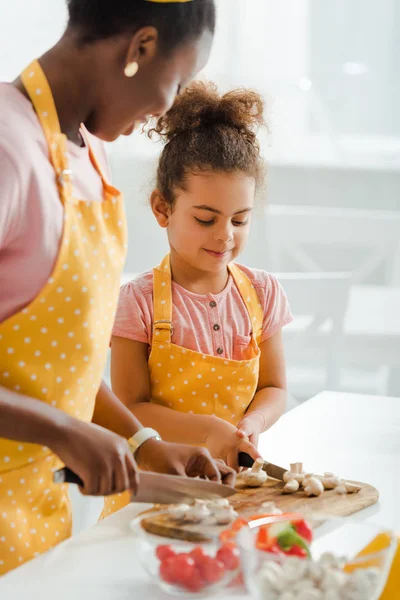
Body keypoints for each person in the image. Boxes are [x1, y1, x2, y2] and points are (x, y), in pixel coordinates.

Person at [0, 0, 238, 576]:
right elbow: (56, 408)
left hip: (46, 518)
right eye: (177, 82)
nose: (169, 109)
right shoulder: (7, 149)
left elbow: (64, 364)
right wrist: (62, 430)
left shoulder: (89, 151)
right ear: (141, 48)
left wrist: (141, 442)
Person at [103, 81, 293, 516]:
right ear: (162, 209)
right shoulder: (138, 302)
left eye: (240, 220)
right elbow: (130, 408)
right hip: (155, 494)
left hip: (237, 488)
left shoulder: (261, 293)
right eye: (206, 219)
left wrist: (252, 423)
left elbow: (274, 387)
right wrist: (207, 430)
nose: (225, 235)